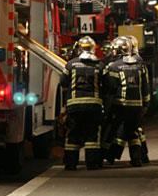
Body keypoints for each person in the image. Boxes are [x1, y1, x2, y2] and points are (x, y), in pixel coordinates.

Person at [101, 37, 149, 167]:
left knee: (114, 129)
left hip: (121, 105)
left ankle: (109, 155)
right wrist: (146, 104)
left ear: (118, 51)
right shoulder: (140, 65)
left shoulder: (115, 66)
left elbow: (111, 87)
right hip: (137, 105)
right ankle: (137, 158)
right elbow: (145, 86)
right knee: (133, 131)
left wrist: (107, 104)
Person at [59, 36, 105, 170]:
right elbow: (109, 84)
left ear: (79, 48)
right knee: (92, 135)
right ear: (93, 48)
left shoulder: (71, 64)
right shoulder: (100, 65)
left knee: (73, 134)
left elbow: (63, 82)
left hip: (74, 106)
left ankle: (70, 164)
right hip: (94, 106)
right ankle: (92, 164)